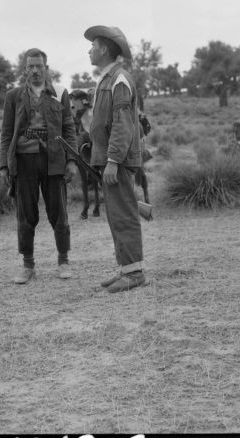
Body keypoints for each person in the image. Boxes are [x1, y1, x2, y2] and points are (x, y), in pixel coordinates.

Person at [0, 48, 78, 284]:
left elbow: (69, 129)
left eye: (39, 66)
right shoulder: (13, 96)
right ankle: (28, 265)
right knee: (25, 215)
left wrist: (72, 160)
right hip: (23, 161)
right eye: (31, 66)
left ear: (46, 67)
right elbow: (5, 133)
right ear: (25, 69)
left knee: (59, 213)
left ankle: (63, 261)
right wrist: (4, 164)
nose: (35, 70)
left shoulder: (59, 93)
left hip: (53, 159)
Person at [84, 25, 146, 292]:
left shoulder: (119, 79)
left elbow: (122, 124)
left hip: (116, 161)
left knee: (124, 214)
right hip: (109, 158)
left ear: (105, 49)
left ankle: (134, 273)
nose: (90, 50)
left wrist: (112, 160)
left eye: (93, 46)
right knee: (117, 214)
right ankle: (126, 268)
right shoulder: (108, 79)